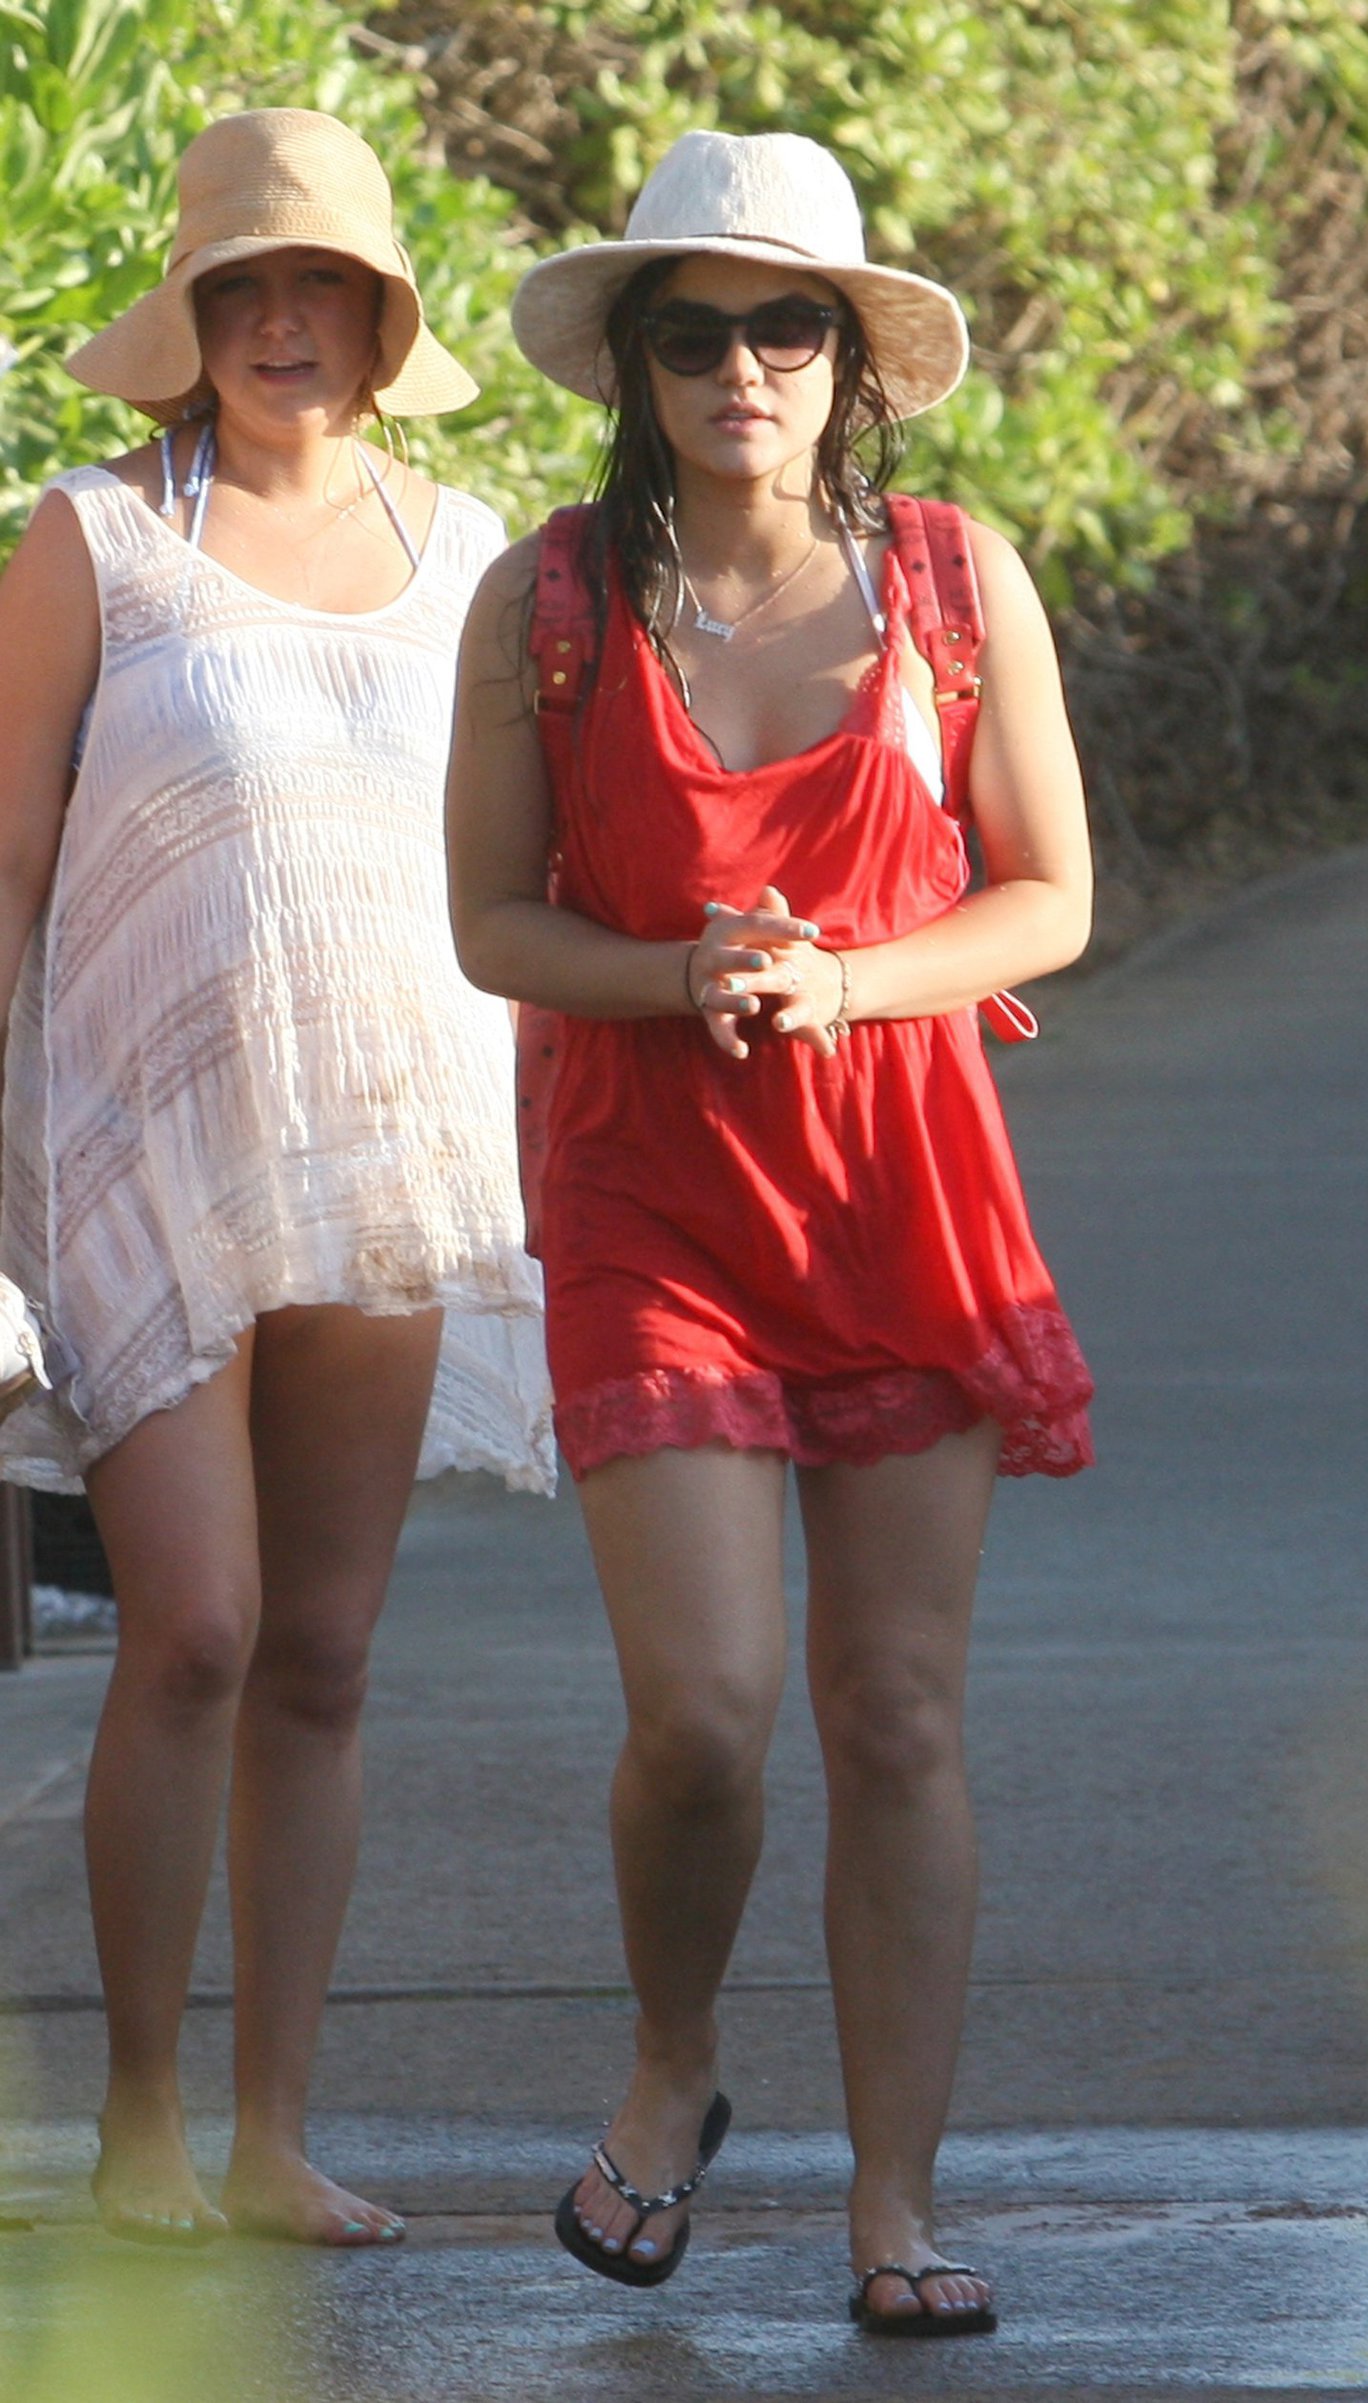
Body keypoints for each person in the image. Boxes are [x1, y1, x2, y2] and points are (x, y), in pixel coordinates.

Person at [446, 129, 1092, 2334]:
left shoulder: (947, 581)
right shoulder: (545, 601)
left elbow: (1051, 895)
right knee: (707, 1715)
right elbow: (493, 922)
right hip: (651, 1184)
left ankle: (895, 2201)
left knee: (897, 1709)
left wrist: (842, 974)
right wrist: (688, 973)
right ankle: (675, 2057)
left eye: (784, 324)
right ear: (634, 363)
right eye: (695, 328)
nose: (744, 365)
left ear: (849, 358)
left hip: (900, 1177)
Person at [0, 109, 552, 2247]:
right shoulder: (91, 536)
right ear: (192, 322)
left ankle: (269, 2131)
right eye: (239, 289)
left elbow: (518, 857)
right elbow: (14, 867)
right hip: (136, 1155)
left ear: (384, 317)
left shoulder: (473, 546)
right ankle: (137, 2125)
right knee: (197, 1625)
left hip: (390, 1153)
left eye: (316, 285)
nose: (280, 322)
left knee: (321, 1649)